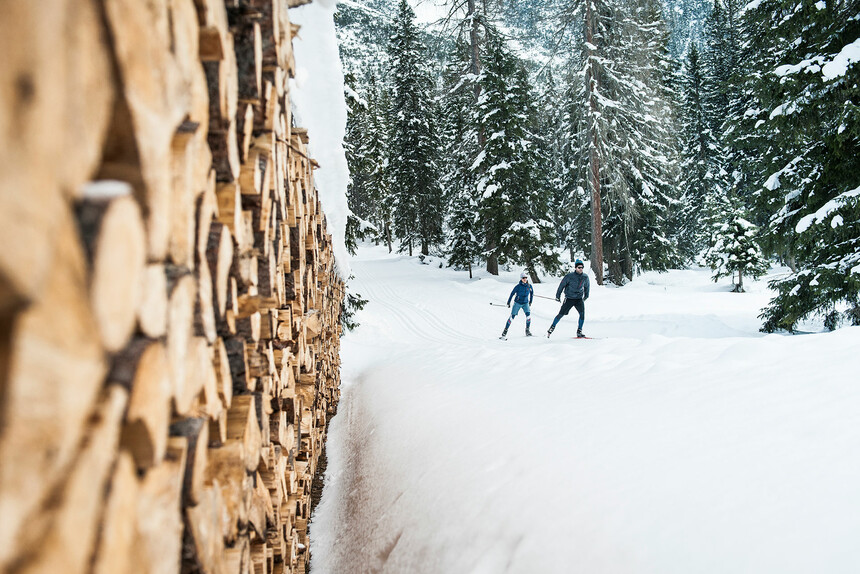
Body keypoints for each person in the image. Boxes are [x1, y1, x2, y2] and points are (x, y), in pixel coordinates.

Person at [547, 259, 590, 338]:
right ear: (575, 268)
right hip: (569, 298)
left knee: (582, 314)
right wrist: (557, 296)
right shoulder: (569, 276)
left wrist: (586, 295)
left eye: (582, 267)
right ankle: (552, 327)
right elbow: (561, 286)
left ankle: (579, 331)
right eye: (579, 267)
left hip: (579, 298)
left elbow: (587, 286)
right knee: (561, 314)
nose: (581, 269)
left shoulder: (585, 277)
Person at [501, 271, 534, 338]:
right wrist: (508, 302)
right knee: (512, 317)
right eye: (523, 278)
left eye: (526, 278)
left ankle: (527, 330)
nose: (525, 279)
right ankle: (505, 331)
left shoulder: (529, 286)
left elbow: (532, 293)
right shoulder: (518, 286)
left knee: (528, 316)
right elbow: (512, 294)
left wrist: (530, 301)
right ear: (521, 278)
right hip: (517, 303)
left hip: (525, 303)